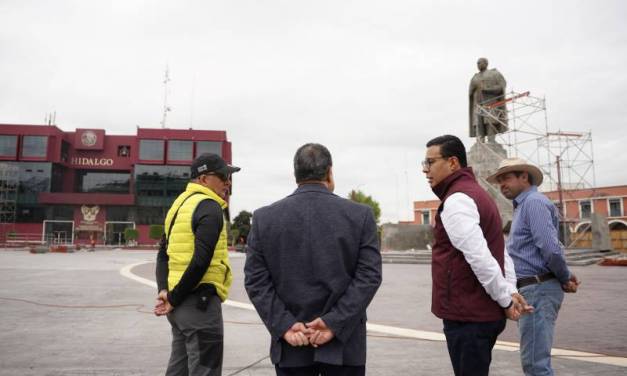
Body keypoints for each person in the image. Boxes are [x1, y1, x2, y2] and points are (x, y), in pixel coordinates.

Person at [244, 143, 382, 376]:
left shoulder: (264, 218)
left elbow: (256, 281)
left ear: (295, 174)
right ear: (330, 172)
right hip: (344, 346)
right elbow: (368, 276)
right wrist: (333, 322)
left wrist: (285, 325)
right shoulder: (361, 215)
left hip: (291, 344)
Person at [422, 135, 532, 376]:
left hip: (468, 315)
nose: (425, 170)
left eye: (430, 162)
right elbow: (499, 249)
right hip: (479, 313)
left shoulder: (457, 199)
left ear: (452, 163)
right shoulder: (477, 194)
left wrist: (505, 298)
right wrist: (509, 290)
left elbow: (480, 256)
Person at [488, 157, 580, 376]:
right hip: (532, 289)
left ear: (524, 177)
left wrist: (565, 276)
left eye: (507, 178)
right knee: (533, 362)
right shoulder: (523, 206)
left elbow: (550, 247)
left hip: (538, 289)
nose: (502, 184)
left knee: (536, 364)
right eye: (499, 180)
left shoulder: (534, 203)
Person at [154, 153, 240, 376]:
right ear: (203, 179)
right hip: (199, 305)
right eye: (223, 176)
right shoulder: (209, 207)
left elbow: (163, 255)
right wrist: (172, 298)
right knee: (205, 369)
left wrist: (165, 291)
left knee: (178, 368)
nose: (227, 182)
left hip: (178, 305)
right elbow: (201, 261)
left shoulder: (178, 206)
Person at [469, 57, 508, 143]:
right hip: (477, 103)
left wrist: (488, 89)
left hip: (490, 101)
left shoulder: (494, 73)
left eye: (480, 63)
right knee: (478, 123)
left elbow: (502, 86)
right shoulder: (475, 77)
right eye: (477, 63)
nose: (478, 65)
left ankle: (491, 141)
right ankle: (480, 142)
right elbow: (470, 92)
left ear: (486, 63)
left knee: (490, 121)